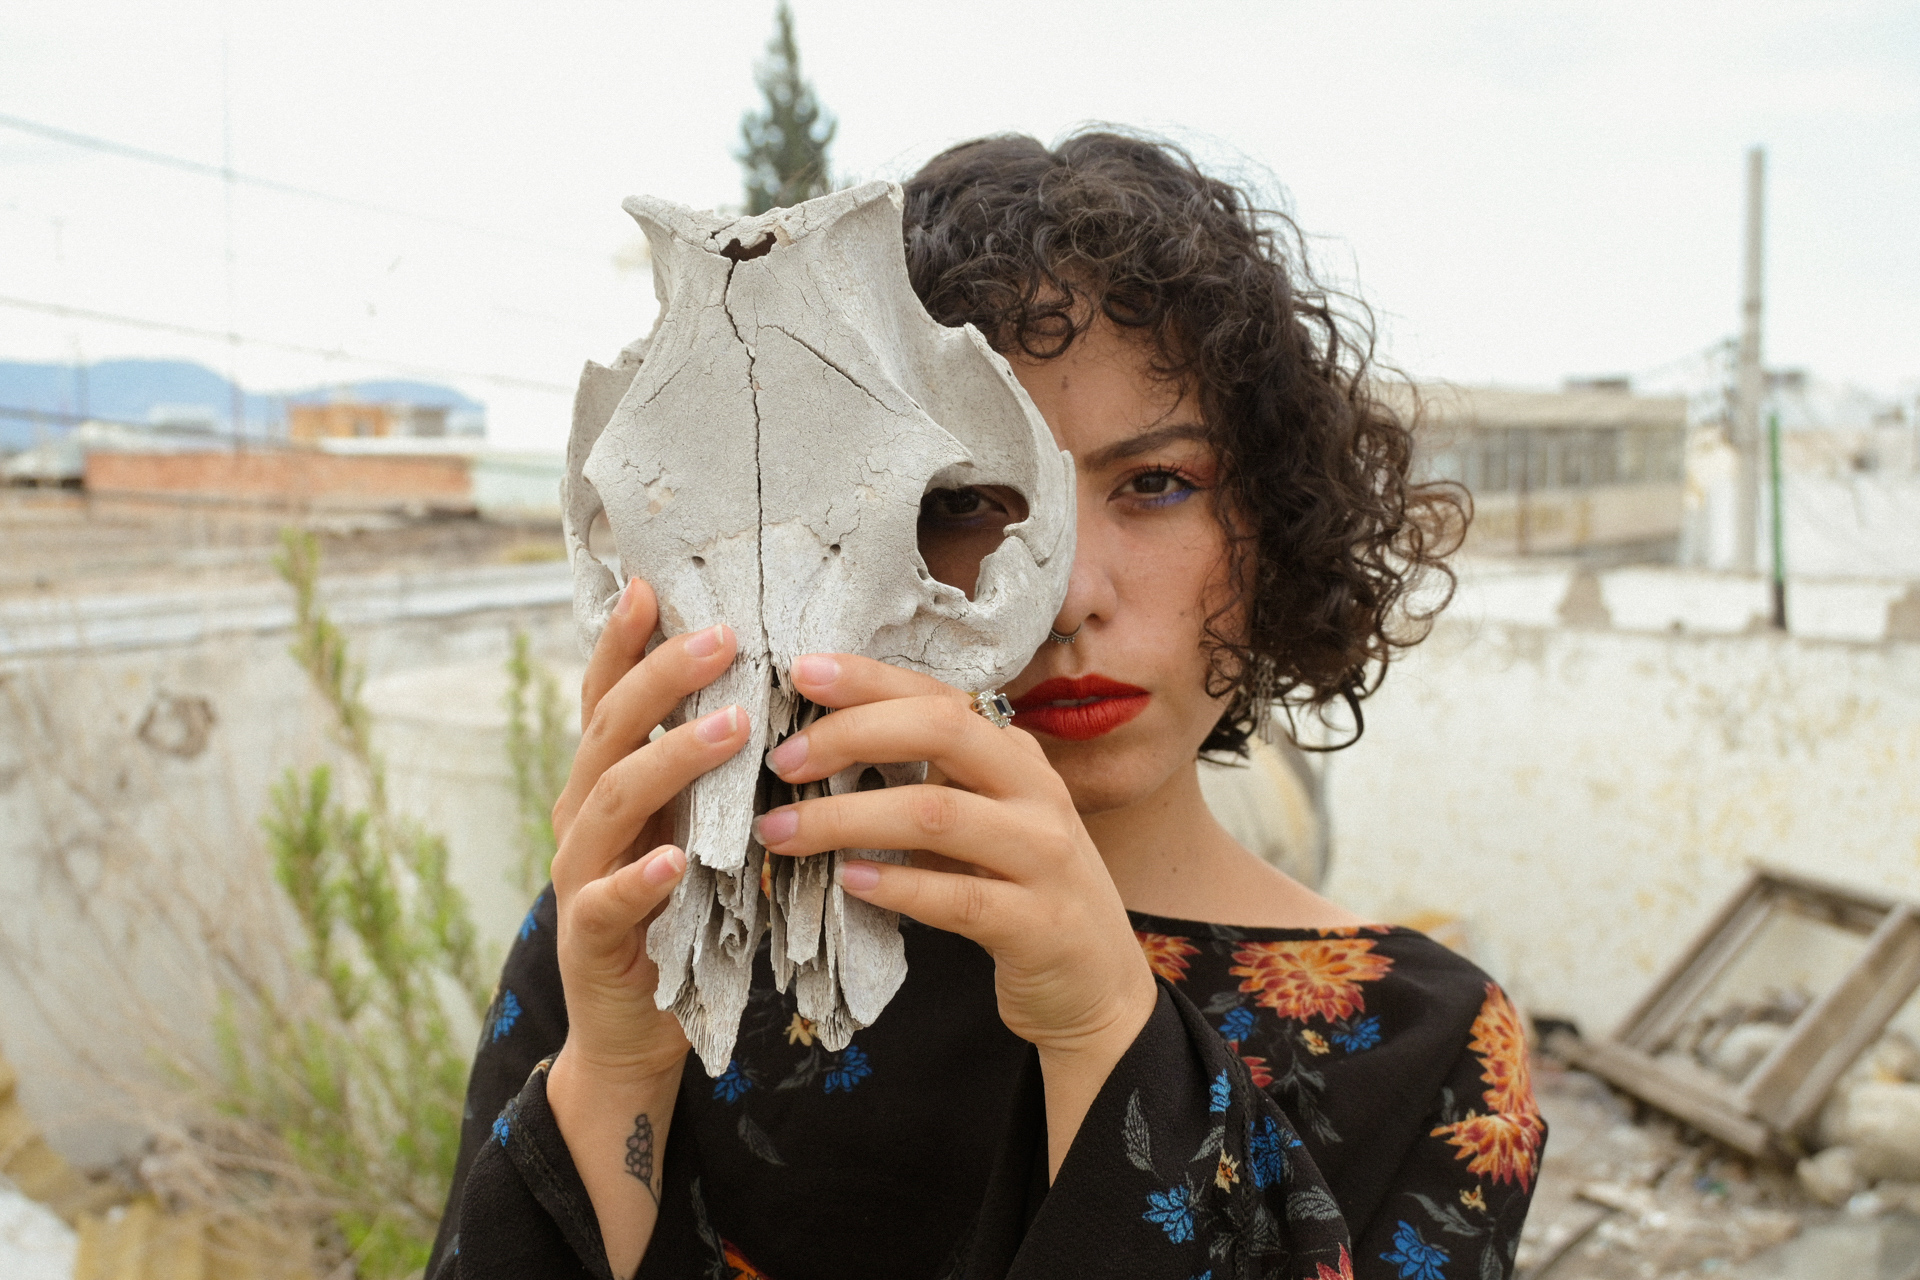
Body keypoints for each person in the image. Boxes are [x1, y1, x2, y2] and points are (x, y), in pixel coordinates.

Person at [428, 130, 1542, 1280]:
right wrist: (618, 1073)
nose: (1067, 593)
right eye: (967, 502)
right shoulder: (651, 931)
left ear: (1275, 521)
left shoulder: (1423, 1051)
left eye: (1157, 483)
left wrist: (1106, 1034)